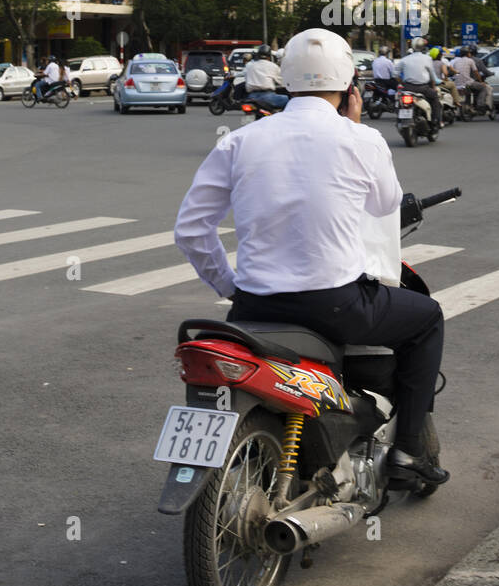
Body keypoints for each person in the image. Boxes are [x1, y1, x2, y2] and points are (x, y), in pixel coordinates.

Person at [174, 28, 448, 488]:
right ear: (348, 85)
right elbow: (384, 206)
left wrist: (229, 285)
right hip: (335, 306)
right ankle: (407, 452)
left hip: (253, 308)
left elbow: (190, 229)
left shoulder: (241, 141)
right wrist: (355, 129)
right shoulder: (361, 140)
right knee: (428, 319)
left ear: (286, 80)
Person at [397, 37, 442, 129]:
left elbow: (395, 74)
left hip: (408, 88)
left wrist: (402, 83)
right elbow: (432, 76)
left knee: (399, 102)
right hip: (423, 88)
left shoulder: (404, 59)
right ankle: (435, 121)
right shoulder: (427, 59)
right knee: (435, 98)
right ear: (423, 47)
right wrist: (433, 87)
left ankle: (399, 120)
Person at [244, 43, 289, 112]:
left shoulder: (249, 66)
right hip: (268, 97)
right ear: (269, 56)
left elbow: (246, 79)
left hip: (251, 97)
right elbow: (282, 82)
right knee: (288, 99)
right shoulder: (273, 66)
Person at [450, 47, 491, 114]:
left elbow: (453, 73)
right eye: (469, 53)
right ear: (467, 54)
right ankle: (480, 105)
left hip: (457, 84)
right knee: (483, 87)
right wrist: (481, 82)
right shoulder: (470, 61)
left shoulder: (456, 62)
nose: (470, 54)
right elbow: (476, 72)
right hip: (468, 83)